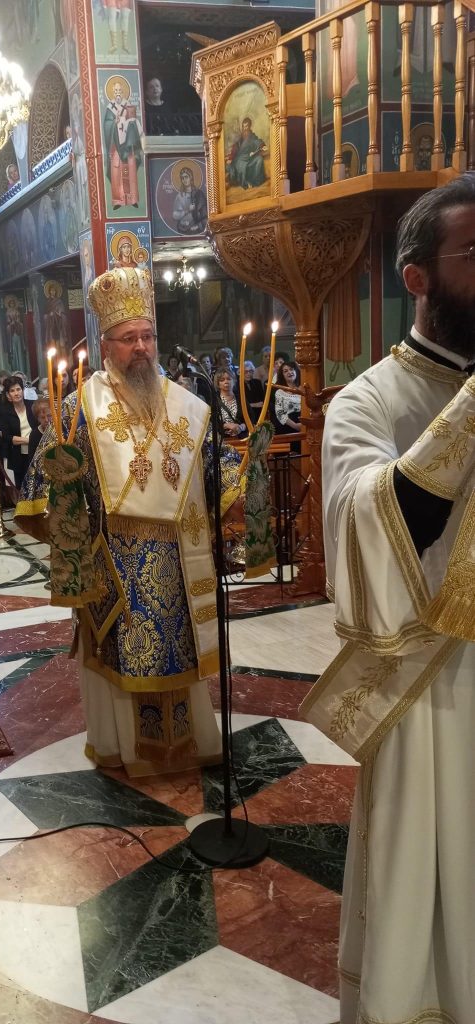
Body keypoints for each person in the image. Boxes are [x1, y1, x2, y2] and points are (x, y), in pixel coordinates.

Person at [301, 174, 475, 1023]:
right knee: (425, 875)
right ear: (418, 277)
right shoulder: (365, 401)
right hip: (428, 687)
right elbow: (375, 534)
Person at [17, 266, 244, 776]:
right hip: (114, 567)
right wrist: (66, 515)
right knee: (123, 657)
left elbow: (218, 467)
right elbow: (41, 492)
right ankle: (124, 749)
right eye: (128, 338)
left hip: (181, 565)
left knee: (181, 654)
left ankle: (191, 744)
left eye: (148, 336)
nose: (141, 347)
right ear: (106, 346)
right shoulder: (78, 407)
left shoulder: (187, 404)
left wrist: (240, 493)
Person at [103, 77, 143, 210]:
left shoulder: (128, 105)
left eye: (120, 90)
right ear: (112, 92)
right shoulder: (110, 108)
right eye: (115, 91)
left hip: (128, 145)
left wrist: (128, 122)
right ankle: (118, 201)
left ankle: (133, 199)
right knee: (116, 171)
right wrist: (113, 123)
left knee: (130, 170)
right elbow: (107, 124)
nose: (118, 93)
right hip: (116, 146)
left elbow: (134, 122)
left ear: (123, 91)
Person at [0, 375, 37, 488]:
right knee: (22, 486)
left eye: (18, 389)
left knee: (37, 485)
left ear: (23, 390)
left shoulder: (32, 405)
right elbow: (7, 437)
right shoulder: (4, 412)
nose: (16, 393)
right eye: (12, 391)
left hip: (35, 452)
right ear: (8, 395)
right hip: (17, 455)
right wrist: (30, 440)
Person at [226, 117, 268, 190]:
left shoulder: (252, 136)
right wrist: (231, 158)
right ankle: (245, 183)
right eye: (244, 126)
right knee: (241, 165)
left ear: (250, 126)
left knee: (259, 159)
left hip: (250, 157)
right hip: (240, 158)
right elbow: (235, 147)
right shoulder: (241, 137)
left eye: (246, 126)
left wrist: (262, 145)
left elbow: (258, 141)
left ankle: (255, 181)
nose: (245, 128)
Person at [172, 165, 207, 234]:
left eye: (186, 177)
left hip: (197, 227)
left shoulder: (199, 194)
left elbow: (205, 214)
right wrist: (188, 210)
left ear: (190, 177)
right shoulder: (180, 196)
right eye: (182, 178)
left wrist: (198, 226)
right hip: (182, 228)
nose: (184, 180)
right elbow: (175, 215)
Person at [215, 368, 247, 439]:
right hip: (221, 440)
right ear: (218, 384)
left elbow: (251, 419)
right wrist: (226, 425)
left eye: (229, 379)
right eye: (222, 380)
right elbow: (211, 422)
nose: (226, 382)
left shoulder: (241, 398)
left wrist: (241, 427)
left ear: (234, 381)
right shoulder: (214, 400)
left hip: (241, 438)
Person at [273, 360, 302, 433]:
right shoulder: (279, 392)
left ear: (296, 371)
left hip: (305, 422)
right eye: (285, 371)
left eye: (291, 369)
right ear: (282, 375)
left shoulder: (303, 389)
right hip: (288, 426)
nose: (289, 372)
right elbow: (279, 413)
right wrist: (295, 425)